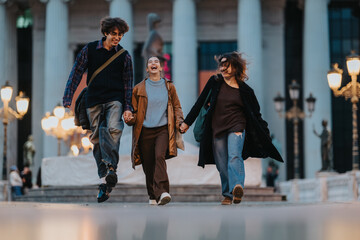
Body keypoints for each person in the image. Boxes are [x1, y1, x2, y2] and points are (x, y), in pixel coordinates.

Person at [180, 52, 283, 205]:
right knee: (222, 164)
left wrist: (265, 134)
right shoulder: (214, 82)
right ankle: (228, 195)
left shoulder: (246, 91)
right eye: (221, 65)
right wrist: (187, 123)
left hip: (237, 126)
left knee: (234, 156)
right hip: (217, 128)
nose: (223, 69)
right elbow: (199, 103)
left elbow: (256, 115)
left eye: (227, 66)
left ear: (236, 68)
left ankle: (237, 186)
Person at [63, 17, 134, 203]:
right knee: (96, 139)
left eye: (120, 35)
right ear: (105, 33)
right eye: (114, 34)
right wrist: (67, 98)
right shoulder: (89, 49)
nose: (117, 37)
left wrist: (128, 107)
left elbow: (128, 85)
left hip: (115, 100)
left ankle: (110, 167)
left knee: (113, 131)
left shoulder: (125, 56)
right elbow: (76, 73)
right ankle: (106, 180)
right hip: (93, 100)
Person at [125, 56, 184, 206]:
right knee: (148, 164)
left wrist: (180, 122)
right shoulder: (138, 88)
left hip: (163, 129)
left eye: (156, 62)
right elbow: (133, 111)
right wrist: (129, 118)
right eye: (150, 62)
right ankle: (153, 195)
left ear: (161, 67)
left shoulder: (169, 87)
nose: (153, 63)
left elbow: (176, 106)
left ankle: (163, 191)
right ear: (147, 69)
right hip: (144, 131)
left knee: (159, 157)